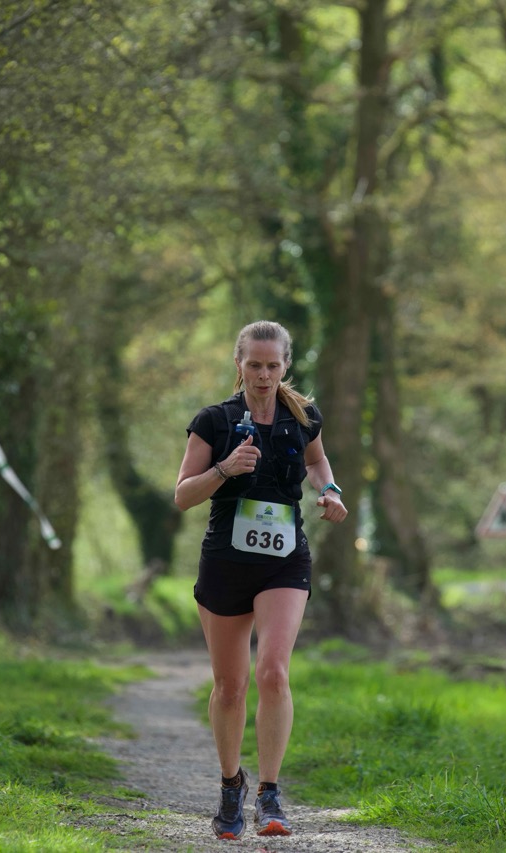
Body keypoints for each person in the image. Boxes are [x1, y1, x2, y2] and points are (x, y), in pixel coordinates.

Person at [174, 320, 347, 840]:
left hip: (284, 560)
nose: (264, 375)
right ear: (239, 364)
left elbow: (317, 461)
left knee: (273, 672)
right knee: (230, 687)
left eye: (273, 365)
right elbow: (182, 495)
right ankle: (232, 786)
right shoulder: (214, 421)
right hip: (225, 560)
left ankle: (270, 795)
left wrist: (330, 490)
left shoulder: (303, 417)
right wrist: (224, 469)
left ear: (286, 364)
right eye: (255, 365)